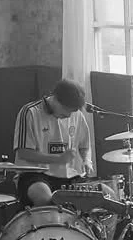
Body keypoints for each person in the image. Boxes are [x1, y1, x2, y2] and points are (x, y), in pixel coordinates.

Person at [13, 79, 94, 207]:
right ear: (55, 98)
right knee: (45, 198)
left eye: (72, 112)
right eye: (66, 109)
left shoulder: (77, 115)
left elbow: (84, 146)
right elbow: (23, 152)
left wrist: (86, 161)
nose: (68, 115)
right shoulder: (30, 112)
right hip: (35, 175)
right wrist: (58, 159)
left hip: (70, 176)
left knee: (105, 195)